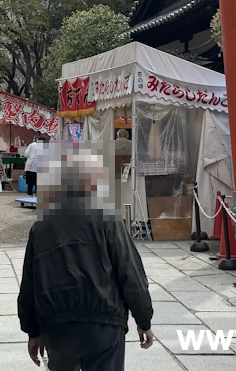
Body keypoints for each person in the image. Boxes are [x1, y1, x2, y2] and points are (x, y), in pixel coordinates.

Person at [18, 155, 154, 371]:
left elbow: (29, 283)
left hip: (57, 324)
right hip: (104, 322)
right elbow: (130, 273)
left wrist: (32, 330)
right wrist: (143, 320)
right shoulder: (107, 219)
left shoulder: (41, 227)